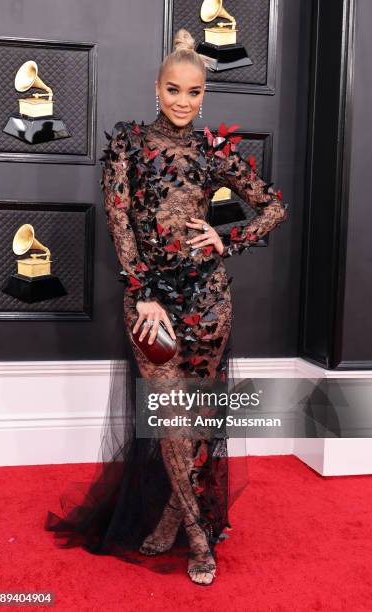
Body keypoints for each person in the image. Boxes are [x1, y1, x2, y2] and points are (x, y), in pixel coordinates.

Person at [44, 28, 288, 586]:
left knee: (197, 417)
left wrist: (231, 238)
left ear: (205, 95)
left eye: (194, 92)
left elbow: (273, 206)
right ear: (157, 88)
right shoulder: (128, 145)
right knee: (170, 416)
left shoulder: (212, 152)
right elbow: (120, 224)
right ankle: (200, 539)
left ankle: (176, 516)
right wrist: (144, 293)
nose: (183, 101)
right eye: (174, 89)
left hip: (209, 299)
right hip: (153, 303)